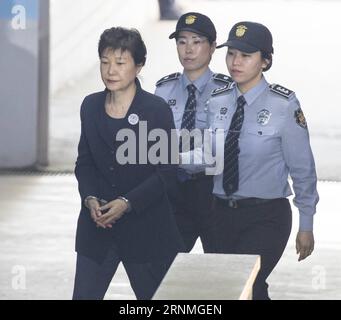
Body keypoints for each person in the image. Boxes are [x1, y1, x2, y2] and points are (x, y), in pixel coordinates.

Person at [207, 21, 319, 299]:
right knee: (235, 290)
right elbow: (206, 158)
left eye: (246, 56)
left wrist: (307, 224)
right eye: (231, 53)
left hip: (265, 216)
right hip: (219, 215)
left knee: (245, 282)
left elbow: (303, 169)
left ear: (265, 61)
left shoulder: (284, 105)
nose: (235, 62)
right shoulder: (217, 101)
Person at [72, 27, 184, 300]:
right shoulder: (90, 106)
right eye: (105, 62)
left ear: (138, 66)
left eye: (120, 63)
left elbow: (167, 171)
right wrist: (90, 198)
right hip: (97, 230)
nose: (111, 70)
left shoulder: (156, 110)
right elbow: (84, 163)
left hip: (146, 230)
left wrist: (127, 202)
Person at [155, 12, 233, 253]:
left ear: (212, 47)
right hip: (174, 192)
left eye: (197, 42)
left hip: (213, 191)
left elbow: (218, 149)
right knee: (165, 271)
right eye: (181, 41)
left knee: (222, 270)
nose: (188, 49)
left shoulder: (228, 92)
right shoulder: (163, 90)